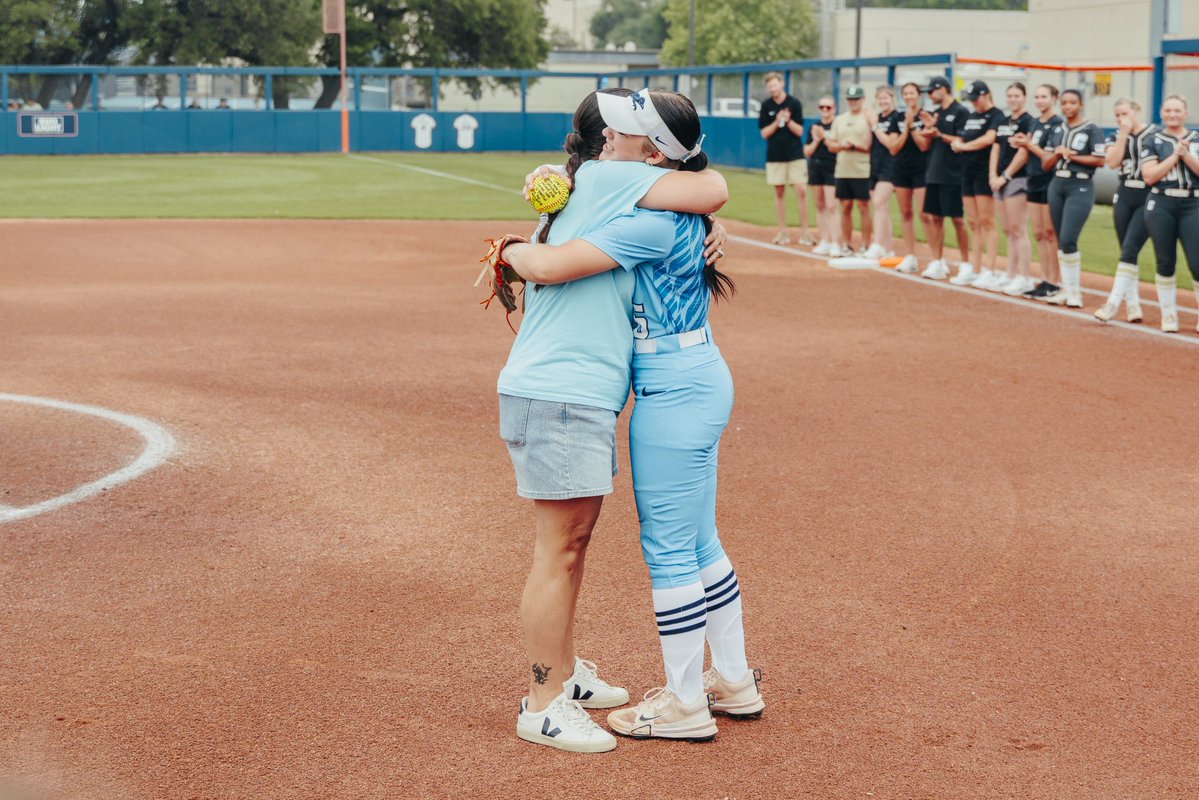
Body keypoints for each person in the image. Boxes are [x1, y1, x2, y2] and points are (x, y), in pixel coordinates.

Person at [501, 88, 761, 744]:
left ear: (653, 155)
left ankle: (684, 702)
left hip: (669, 389)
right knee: (693, 542)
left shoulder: (629, 199)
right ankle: (729, 680)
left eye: (621, 132)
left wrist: (509, 249)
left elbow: (550, 263)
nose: (606, 141)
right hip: (692, 376)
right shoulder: (651, 201)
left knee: (666, 550)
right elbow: (707, 189)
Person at [1039, 89, 1105, 308]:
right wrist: (1057, 154)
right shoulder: (1058, 129)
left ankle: (1075, 292)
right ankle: (1066, 289)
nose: (1067, 106)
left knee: (1068, 238)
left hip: (1080, 185)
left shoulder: (1091, 129)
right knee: (1060, 239)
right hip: (1057, 184)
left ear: (1081, 104)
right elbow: (1045, 163)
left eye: (1072, 102)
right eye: (1065, 103)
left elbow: (1100, 160)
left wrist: (1072, 155)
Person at [1140, 94, 1199, 334]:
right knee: (1165, 260)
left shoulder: (1196, 139)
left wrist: (1187, 155)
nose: (1172, 115)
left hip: (1193, 203)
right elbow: (1150, 176)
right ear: (1161, 113)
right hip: (1162, 202)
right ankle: (1169, 314)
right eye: (1168, 111)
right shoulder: (1153, 140)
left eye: (1177, 110)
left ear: (1186, 113)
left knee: (1197, 262)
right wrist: (1175, 155)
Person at [1094, 97, 1155, 323]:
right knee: (1127, 251)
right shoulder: (1115, 136)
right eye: (1118, 115)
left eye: (1125, 114)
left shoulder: (1154, 134)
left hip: (1147, 196)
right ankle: (1133, 305)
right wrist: (1123, 133)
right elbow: (1112, 162)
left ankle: (1113, 303)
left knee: (1130, 249)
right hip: (1124, 194)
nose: (1121, 118)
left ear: (1136, 111)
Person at [914, 75, 971, 281]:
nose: (929, 95)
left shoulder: (961, 111)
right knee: (935, 218)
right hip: (934, 172)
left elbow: (962, 141)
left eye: (931, 91)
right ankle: (937, 261)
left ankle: (966, 263)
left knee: (957, 219)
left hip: (953, 173)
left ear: (943, 89)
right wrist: (925, 129)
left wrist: (939, 134)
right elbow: (925, 145)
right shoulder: (935, 113)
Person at [949, 81, 1004, 289]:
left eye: (976, 98)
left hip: (983, 172)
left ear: (986, 95)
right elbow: (963, 137)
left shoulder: (996, 115)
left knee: (987, 221)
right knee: (973, 222)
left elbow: (989, 139)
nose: (973, 103)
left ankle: (990, 270)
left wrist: (964, 147)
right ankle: (975, 268)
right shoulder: (972, 116)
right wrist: (957, 143)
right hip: (967, 172)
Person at [1012, 85, 1064, 299]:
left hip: (1049, 181)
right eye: (1037, 97)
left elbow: (1049, 157)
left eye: (1044, 97)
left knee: (1051, 234)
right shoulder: (1034, 122)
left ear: (1054, 98)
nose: (1039, 100)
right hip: (1033, 180)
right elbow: (1027, 150)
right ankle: (1044, 279)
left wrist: (1028, 145)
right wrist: (1019, 144)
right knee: (1040, 233)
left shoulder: (1058, 124)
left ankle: (1054, 281)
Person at [990, 82, 1037, 297]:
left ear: (1024, 97)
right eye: (1009, 95)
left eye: (1017, 95)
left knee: (1019, 229)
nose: (1012, 99)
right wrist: (992, 175)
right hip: (999, 179)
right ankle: (1010, 273)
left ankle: (1025, 276)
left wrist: (1006, 176)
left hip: (1017, 179)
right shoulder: (1003, 120)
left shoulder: (1029, 121)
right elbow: (996, 147)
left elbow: (1024, 153)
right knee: (1008, 229)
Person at [759, 72, 811, 246]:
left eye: (775, 85)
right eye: (770, 86)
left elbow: (800, 131)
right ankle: (782, 232)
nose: (772, 89)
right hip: (775, 155)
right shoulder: (766, 105)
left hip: (795, 154)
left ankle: (805, 232)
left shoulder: (794, 103)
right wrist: (776, 121)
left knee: (801, 190)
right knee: (779, 192)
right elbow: (764, 133)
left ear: (782, 84)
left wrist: (788, 120)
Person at [826, 84, 873, 254]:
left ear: (863, 100)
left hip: (862, 169)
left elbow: (869, 145)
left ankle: (866, 244)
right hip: (843, 169)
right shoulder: (840, 119)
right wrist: (841, 145)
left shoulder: (867, 118)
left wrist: (853, 146)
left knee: (863, 206)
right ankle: (846, 243)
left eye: (857, 99)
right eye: (851, 99)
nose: (853, 102)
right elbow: (831, 144)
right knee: (845, 206)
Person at [892, 82, 930, 274]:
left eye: (911, 93)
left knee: (925, 215)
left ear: (918, 95)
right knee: (906, 213)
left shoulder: (926, 116)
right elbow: (894, 148)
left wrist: (913, 125)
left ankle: (935, 258)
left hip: (922, 169)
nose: (908, 96)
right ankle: (910, 256)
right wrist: (906, 128)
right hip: (901, 169)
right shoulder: (898, 117)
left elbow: (924, 145)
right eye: (905, 93)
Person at [863, 85, 903, 260]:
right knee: (881, 207)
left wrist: (874, 126)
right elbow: (868, 144)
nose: (883, 101)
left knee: (879, 202)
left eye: (886, 98)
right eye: (880, 98)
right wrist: (868, 123)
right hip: (875, 165)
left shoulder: (897, 117)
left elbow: (890, 143)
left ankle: (877, 244)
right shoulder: (877, 118)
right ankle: (887, 248)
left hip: (890, 166)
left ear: (892, 99)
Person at [805, 97, 841, 256]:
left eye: (828, 107)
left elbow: (836, 147)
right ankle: (825, 240)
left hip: (832, 166)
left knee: (832, 206)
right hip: (815, 166)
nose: (825, 110)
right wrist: (816, 139)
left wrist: (824, 137)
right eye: (822, 107)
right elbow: (808, 151)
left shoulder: (838, 125)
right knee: (820, 205)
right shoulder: (814, 126)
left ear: (834, 109)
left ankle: (835, 242)